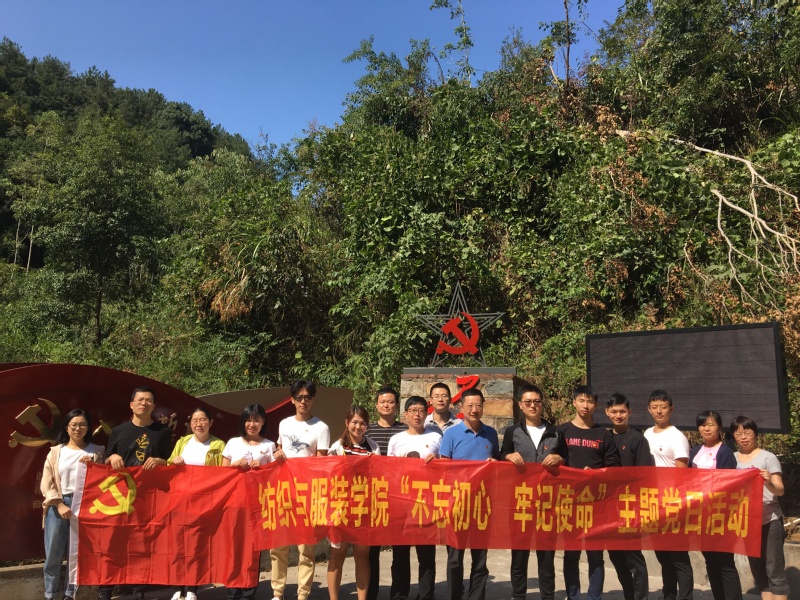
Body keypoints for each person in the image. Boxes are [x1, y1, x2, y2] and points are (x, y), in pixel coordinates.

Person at [99, 386, 172, 600]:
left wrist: (160, 461)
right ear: (131, 404)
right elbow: (107, 460)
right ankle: (105, 590)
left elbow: (170, 462)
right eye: (140, 400)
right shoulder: (118, 431)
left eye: (148, 400)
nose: (144, 403)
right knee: (113, 543)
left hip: (148, 497)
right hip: (120, 497)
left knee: (142, 543)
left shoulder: (163, 432)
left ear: (154, 406)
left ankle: (139, 590)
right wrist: (112, 458)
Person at [501, 384, 565, 600]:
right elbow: (502, 455)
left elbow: (566, 460)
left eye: (536, 401)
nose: (532, 406)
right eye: (528, 402)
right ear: (520, 405)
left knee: (546, 555)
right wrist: (508, 456)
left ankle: (548, 596)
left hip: (548, 502)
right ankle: (518, 595)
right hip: (520, 502)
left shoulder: (555, 431)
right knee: (519, 554)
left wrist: (559, 458)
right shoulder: (512, 431)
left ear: (542, 404)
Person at [557, 385, 620, 600]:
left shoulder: (603, 435)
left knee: (595, 556)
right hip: (570, 502)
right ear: (574, 402)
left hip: (596, 504)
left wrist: (595, 474)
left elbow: (613, 467)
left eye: (590, 401)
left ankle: (594, 597)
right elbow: (554, 462)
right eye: (582, 400)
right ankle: (573, 596)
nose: (586, 405)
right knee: (571, 555)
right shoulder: (562, 431)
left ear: (596, 405)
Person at [271, 380, 330, 600]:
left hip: (308, 494)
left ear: (313, 399)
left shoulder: (321, 427)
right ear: (292, 400)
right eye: (299, 397)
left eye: (307, 397)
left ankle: (303, 594)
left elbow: (321, 463)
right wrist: (277, 454)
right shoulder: (284, 424)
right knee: (278, 547)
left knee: (306, 549)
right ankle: (277, 593)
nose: (303, 401)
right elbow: (280, 450)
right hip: (284, 491)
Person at [439, 387, 499, 600]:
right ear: (461, 408)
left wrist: (494, 463)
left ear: (483, 407)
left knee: (480, 559)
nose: (474, 410)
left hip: (482, 505)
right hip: (456, 504)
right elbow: (443, 469)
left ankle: (476, 596)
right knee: (455, 558)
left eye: (478, 405)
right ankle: (455, 595)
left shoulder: (491, 434)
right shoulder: (451, 434)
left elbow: (497, 465)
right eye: (470, 406)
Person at [41, 408, 104, 600]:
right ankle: (51, 594)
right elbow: (47, 482)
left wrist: (94, 466)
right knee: (53, 553)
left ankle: (70, 593)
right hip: (58, 504)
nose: (78, 428)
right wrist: (59, 504)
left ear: (88, 428)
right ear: (67, 428)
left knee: (76, 554)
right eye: (74, 424)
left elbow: (105, 480)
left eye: (83, 424)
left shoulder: (97, 451)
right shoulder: (56, 452)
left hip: (86, 505)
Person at [168, 407, 227, 600]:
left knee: (196, 546)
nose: (198, 424)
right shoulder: (182, 442)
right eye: (195, 420)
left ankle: (192, 588)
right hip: (180, 501)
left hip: (204, 504)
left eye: (203, 420)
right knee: (178, 546)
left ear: (210, 423)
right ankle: (178, 587)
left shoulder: (218, 445)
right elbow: (168, 466)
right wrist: (173, 461)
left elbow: (223, 474)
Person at [387, 396, 442, 600]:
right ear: (405, 414)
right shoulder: (396, 439)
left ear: (426, 414)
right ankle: (399, 594)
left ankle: (426, 594)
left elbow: (445, 467)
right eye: (413, 410)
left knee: (426, 554)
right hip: (401, 502)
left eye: (421, 411)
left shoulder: (436, 437)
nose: (417, 415)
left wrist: (437, 462)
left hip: (426, 502)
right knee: (400, 554)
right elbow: (388, 470)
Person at [730, 416, 789, 600]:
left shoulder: (768, 458)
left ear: (755, 434)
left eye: (747, 432)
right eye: (738, 433)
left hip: (770, 520)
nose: (743, 437)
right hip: (746, 523)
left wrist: (768, 481)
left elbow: (780, 490)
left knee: (775, 572)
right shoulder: (731, 459)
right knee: (760, 574)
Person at [222, 404, 277, 600]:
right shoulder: (233, 443)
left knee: (253, 550)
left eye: (256, 420)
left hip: (258, 506)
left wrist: (262, 468)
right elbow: (221, 474)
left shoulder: (269, 446)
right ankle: (232, 592)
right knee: (233, 547)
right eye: (248, 420)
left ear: (263, 422)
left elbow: (276, 477)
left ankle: (248, 592)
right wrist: (234, 465)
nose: (252, 424)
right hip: (234, 504)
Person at [643, 389, 694, 600]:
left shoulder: (677, 437)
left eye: (663, 407)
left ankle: (686, 597)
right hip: (653, 504)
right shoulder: (646, 434)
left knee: (679, 557)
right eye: (655, 407)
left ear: (671, 409)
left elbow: (682, 474)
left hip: (673, 504)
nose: (659, 411)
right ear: (649, 410)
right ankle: (669, 595)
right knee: (663, 555)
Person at [688, 410, 742, 600]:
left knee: (725, 562)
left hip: (720, 515)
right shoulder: (695, 451)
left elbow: (728, 485)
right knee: (710, 560)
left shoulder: (725, 452)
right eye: (703, 425)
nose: (706, 428)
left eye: (711, 424)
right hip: (700, 515)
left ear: (719, 427)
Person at [327, 406, 379, 600]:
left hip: (364, 509)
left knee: (362, 556)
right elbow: (327, 475)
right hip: (340, 508)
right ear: (347, 423)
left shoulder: (373, 447)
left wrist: (376, 463)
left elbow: (379, 477)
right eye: (355, 422)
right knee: (337, 555)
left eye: (362, 423)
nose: (358, 426)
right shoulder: (337, 447)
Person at [605, 393, 653, 600]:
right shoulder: (605, 438)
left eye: (622, 412)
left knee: (634, 558)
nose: (618, 415)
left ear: (629, 413)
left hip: (630, 509)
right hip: (608, 510)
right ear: (607, 413)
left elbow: (644, 476)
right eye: (614, 412)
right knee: (615, 557)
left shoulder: (638, 439)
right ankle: (629, 595)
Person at [366, 387, 407, 600]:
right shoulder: (367, 431)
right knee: (371, 551)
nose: (386, 405)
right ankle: (370, 593)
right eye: (382, 401)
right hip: (374, 497)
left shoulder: (406, 430)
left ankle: (399, 595)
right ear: (376, 405)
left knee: (401, 551)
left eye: (390, 402)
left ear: (396, 406)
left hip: (400, 497)